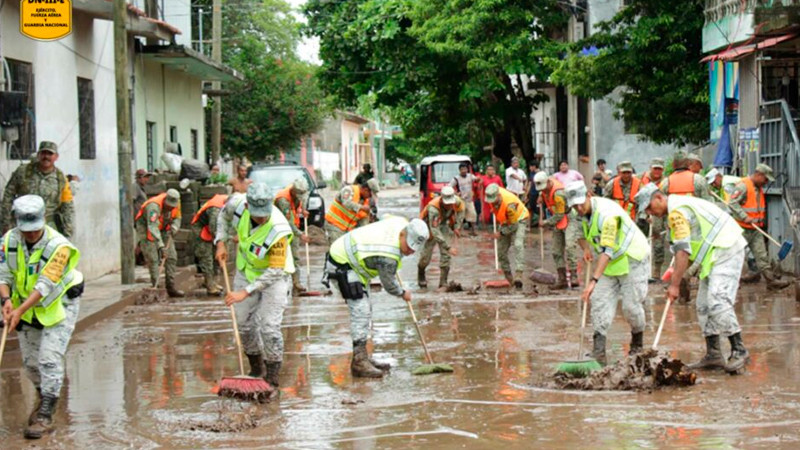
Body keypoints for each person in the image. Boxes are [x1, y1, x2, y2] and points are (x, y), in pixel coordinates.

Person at [636, 183, 750, 374]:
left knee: (718, 301)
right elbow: (685, 251)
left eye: (649, 207)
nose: (650, 213)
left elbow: (683, 251)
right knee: (703, 305)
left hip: (726, 248)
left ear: (658, 198)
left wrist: (674, 286)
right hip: (713, 254)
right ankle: (714, 354)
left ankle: (739, 349)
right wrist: (680, 276)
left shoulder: (676, 212)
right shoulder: (677, 208)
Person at [0, 195, 84, 439]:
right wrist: (6, 301)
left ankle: (46, 412)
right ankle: (43, 394)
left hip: (60, 303)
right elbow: (3, 273)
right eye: (26, 231)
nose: (31, 235)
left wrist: (19, 310)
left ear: (43, 221)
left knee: (49, 358)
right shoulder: (7, 241)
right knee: (31, 363)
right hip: (26, 305)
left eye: (35, 230)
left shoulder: (59, 247)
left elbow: (46, 284)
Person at [323, 216, 429, 378]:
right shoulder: (388, 256)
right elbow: (389, 284)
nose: (410, 251)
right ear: (403, 234)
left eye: (414, 249)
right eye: (409, 246)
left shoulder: (401, 222)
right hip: (342, 262)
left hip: (354, 262)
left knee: (365, 308)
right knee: (361, 310)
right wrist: (402, 292)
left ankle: (363, 356)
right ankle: (359, 362)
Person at [215, 183, 294, 398]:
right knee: (243, 324)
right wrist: (220, 242)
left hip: (275, 278)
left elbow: (276, 270)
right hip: (246, 270)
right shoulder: (237, 205)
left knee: (269, 326)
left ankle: (272, 379)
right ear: (248, 205)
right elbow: (222, 216)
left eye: (264, 215)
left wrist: (246, 292)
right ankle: (256, 368)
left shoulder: (279, 229)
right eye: (257, 215)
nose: (261, 219)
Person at [566, 182, 649, 365]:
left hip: (632, 257)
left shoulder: (607, 215)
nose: (578, 208)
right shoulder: (576, 213)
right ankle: (599, 352)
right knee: (599, 302)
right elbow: (578, 232)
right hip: (610, 263)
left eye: (581, 203)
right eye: (574, 205)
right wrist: (586, 248)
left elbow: (607, 251)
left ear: (588, 195)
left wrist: (592, 281)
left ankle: (637, 345)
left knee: (630, 307)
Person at [659, 151, 712, 302]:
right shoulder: (699, 180)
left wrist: (659, 230)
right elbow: (710, 207)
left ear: (674, 165)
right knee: (702, 262)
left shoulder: (665, 183)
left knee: (680, 260)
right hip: (698, 230)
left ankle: (682, 294)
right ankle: (702, 294)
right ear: (688, 164)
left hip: (676, 229)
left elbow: (660, 209)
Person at [727, 164, 790, 290]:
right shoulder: (743, 186)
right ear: (759, 174)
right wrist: (744, 216)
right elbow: (732, 202)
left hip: (755, 229)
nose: (766, 182)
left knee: (762, 256)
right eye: (765, 179)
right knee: (736, 256)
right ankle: (732, 282)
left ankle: (770, 281)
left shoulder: (758, 188)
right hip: (741, 229)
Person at [1, 141, 74, 238]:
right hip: (23, 225)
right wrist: (5, 223)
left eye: (50, 154)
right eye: (43, 153)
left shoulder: (61, 178)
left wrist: (67, 232)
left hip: (48, 228)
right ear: (38, 155)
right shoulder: (23, 172)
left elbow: (67, 206)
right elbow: (8, 196)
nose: (46, 157)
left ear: (56, 157)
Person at [135, 189, 184, 297]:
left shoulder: (177, 202)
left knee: (171, 257)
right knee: (153, 258)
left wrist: (175, 227)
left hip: (164, 227)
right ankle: (157, 287)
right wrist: (161, 246)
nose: (171, 208)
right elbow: (152, 227)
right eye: (169, 206)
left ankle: (170, 287)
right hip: (147, 228)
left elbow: (177, 218)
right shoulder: (153, 206)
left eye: (172, 206)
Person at [534, 172, 580, 289]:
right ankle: (562, 279)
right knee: (556, 251)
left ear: (549, 183)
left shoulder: (558, 193)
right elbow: (542, 190)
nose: (543, 191)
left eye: (544, 189)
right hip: (557, 220)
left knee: (570, 246)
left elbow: (559, 215)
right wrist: (541, 196)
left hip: (568, 217)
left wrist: (545, 222)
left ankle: (574, 276)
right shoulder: (545, 187)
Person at [418, 186, 465, 290]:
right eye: (447, 204)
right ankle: (421, 273)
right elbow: (435, 231)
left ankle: (443, 282)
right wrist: (448, 247)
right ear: (442, 200)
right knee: (426, 256)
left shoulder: (457, 201)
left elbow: (461, 210)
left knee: (446, 255)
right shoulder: (433, 208)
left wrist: (457, 226)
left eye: (450, 203)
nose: (449, 206)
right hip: (429, 227)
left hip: (444, 224)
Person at [485, 183, 530, 288]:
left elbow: (514, 226)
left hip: (519, 219)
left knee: (518, 244)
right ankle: (510, 279)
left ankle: (519, 274)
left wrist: (501, 233)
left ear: (499, 196)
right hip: (505, 221)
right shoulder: (492, 192)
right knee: (501, 251)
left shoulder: (509, 204)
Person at [274, 177, 312, 293]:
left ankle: (296, 282)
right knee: (281, 258)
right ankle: (280, 285)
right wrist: (301, 234)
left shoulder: (300, 193)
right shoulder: (283, 200)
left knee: (295, 257)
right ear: (294, 191)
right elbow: (288, 223)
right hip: (280, 230)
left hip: (293, 229)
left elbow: (302, 201)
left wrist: (303, 210)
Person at [191, 193, 228, 296]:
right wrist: (221, 245)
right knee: (207, 259)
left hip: (211, 231)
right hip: (202, 231)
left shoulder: (227, 203)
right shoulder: (215, 209)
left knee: (214, 258)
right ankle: (210, 286)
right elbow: (214, 229)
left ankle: (212, 282)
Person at [324, 178, 380, 245]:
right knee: (336, 247)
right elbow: (347, 203)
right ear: (366, 190)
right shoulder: (349, 190)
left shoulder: (365, 202)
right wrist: (361, 207)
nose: (369, 197)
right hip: (334, 225)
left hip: (347, 230)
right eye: (370, 195)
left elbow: (363, 220)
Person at [640, 158, 667, 280]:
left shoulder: (666, 182)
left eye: (659, 169)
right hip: (641, 215)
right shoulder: (640, 179)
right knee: (641, 243)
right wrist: (645, 215)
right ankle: (641, 271)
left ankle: (656, 271)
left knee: (658, 244)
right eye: (655, 168)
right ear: (650, 168)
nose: (657, 171)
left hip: (658, 216)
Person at [449, 162, 479, 235]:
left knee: (473, 214)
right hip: (461, 200)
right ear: (459, 170)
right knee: (460, 216)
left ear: (467, 169)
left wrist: (479, 181)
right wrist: (455, 193)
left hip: (469, 199)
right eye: (462, 169)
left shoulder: (470, 176)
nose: (464, 171)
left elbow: (477, 179)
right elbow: (449, 187)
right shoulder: (456, 178)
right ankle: (459, 231)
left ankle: (474, 231)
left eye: (465, 169)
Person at [525, 161, 541, 227]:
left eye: (531, 166)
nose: (530, 168)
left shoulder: (540, 173)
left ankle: (541, 224)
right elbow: (529, 184)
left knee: (540, 209)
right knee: (530, 209)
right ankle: (529, 225)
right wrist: (526, 194)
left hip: (538, 194)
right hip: (532, 193)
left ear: (534, 166)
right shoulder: (531, 174)